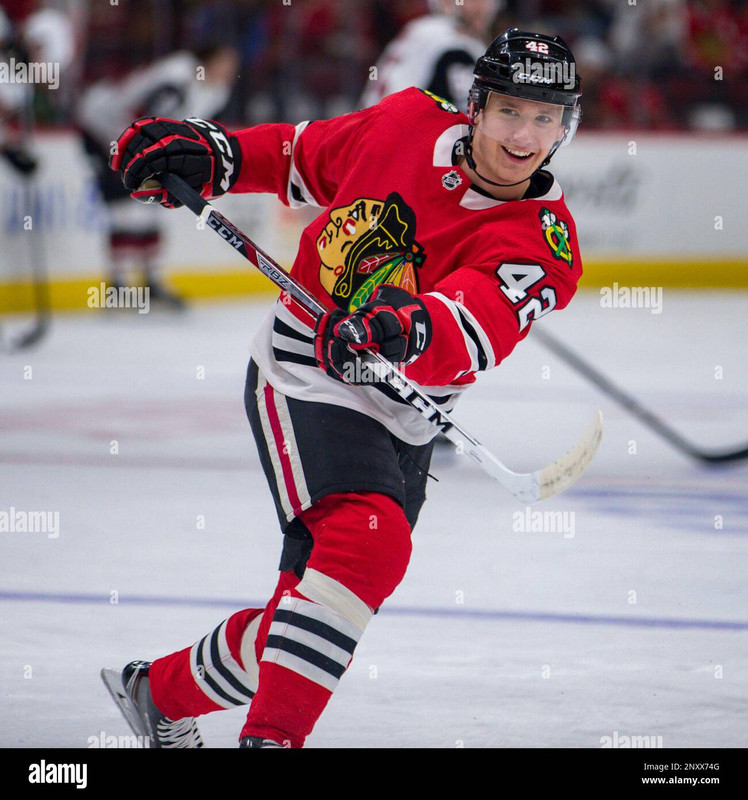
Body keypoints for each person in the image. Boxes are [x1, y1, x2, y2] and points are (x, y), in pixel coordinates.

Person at [101, 28, 584, 748]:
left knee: (315, 610)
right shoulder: (405, 123)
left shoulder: (546, 243)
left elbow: (473, 324)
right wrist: (216, 154)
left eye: (546, 118)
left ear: (565, 129)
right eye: (512, 110)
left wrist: (402, 325)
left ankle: (157, 693)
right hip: (306, 371)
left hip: (408, 415)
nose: (526, 134)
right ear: (476, 108)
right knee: (370, 543)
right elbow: (301, 156)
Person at [75, 45, 239, 310]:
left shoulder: (216, 90)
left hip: (138, 136)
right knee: (124, 210)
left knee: (150, 209)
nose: (231, 70)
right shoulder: (177, 77)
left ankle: (150, 282)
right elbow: (140, 115)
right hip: (103, 126)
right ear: (207, 60)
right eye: (225, 62)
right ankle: (117, 285)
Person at [360, 0, 504, 112]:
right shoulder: (449, 41)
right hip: (396, 138)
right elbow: (463, 117)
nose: (484, 6)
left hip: (375, 132)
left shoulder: (423, 28)